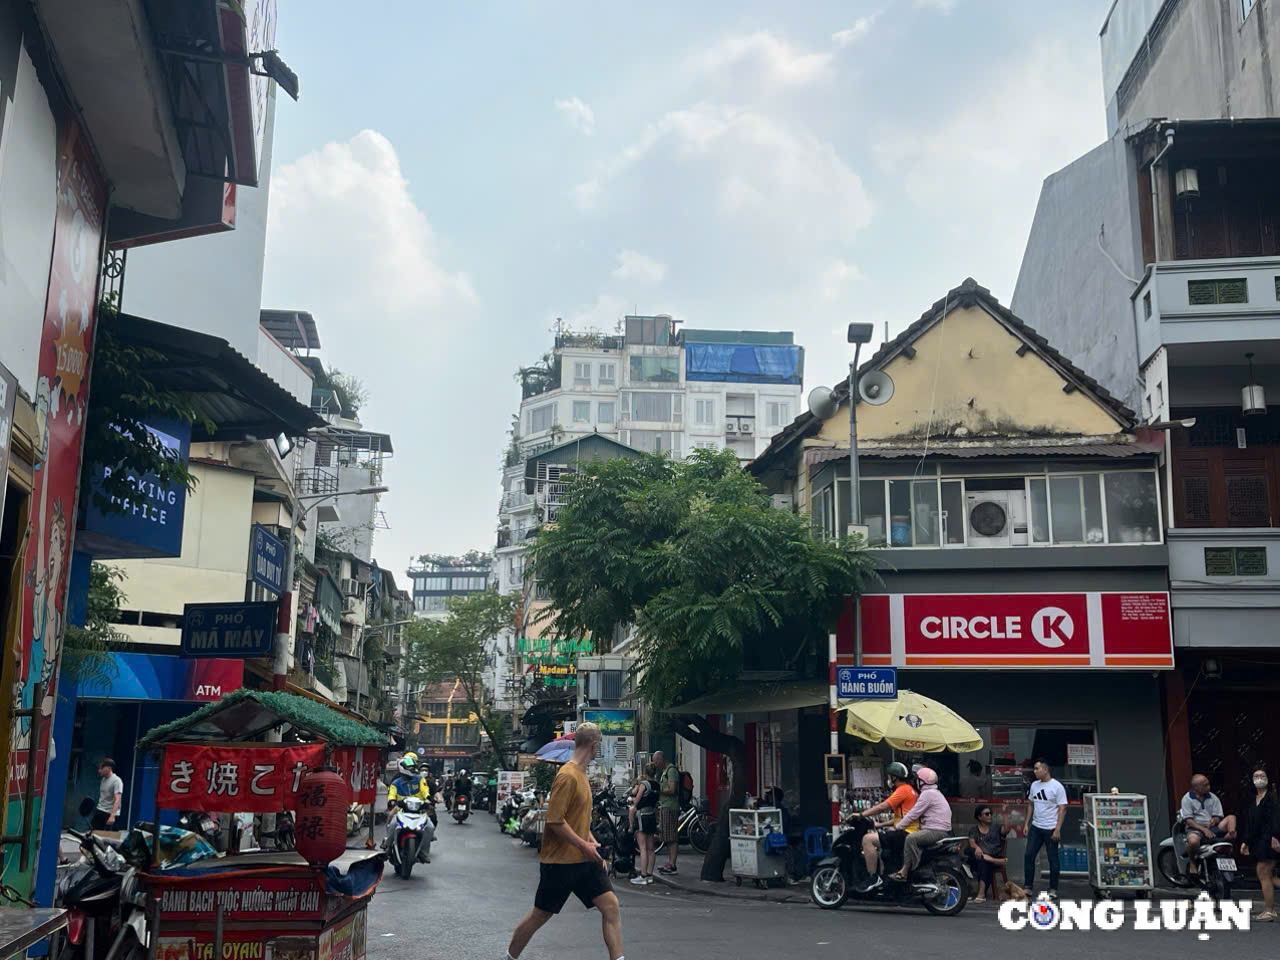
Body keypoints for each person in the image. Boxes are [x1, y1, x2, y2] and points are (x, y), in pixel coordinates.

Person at [503, 723, 624, 960]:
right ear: (593, 745)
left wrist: (593, 847)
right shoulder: (567, 776)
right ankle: (509, 958)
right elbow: (555, 821)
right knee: (540, 915)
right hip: (559, 863)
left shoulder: (581, 775)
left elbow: (578, 820)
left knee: (611, 906)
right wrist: (584, 845)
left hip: (583, 860)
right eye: (599, 745)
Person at [855, 761, 918, 892]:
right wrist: (879, 824)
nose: (888, 779)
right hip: (908, 831)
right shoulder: (910, 790)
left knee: (868, 839)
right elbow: (900, 819)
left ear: (894, 777)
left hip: (906, 833)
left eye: (889, 776)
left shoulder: (903, 790)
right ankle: (887, 880)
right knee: (885, 849)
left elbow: (883, 807)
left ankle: (873, 878)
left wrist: (861, 814)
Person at [889, 767, 952, 881]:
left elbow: (913, 814)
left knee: (910, 839)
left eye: (917, 780)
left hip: (936, 831)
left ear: (922, 782)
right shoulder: (934, 793)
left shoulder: (927, 794)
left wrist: (898, 827)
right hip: (940, 830)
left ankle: (904, 872)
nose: (915, 782)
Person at [1240, 765, 1280, 922]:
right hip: (1258, 841)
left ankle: (1270, 911)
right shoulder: (1253, 800)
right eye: (1256, 776)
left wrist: (1275, 837)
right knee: (1266, 875)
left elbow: (1274, 819)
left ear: (1268, 779)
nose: (1259, 779)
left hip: (1268, 839)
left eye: (1262, 776)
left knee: (1263, 872)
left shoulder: (1272, 797)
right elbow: (1251, 824)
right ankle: (1270, 910)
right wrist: (1246, 841)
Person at [1023, 758, 1067, 899]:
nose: (1035, 771)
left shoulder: (1057, 786)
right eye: (1034, 769)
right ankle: (1028, 886)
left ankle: (1053, 888)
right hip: (1036, 826)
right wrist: (1026, 823)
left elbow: (1062, 809)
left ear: (1045, 770)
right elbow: (1031, 804)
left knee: (1052, 858)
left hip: (1050, 827)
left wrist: (1057, 829)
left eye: (1037, 769)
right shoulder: (1034, 785)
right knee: (1029, 855)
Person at [1179, 773, 1238, 872]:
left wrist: (1214, 820)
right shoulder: (1186, 799)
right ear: (1196, 787)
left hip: (1212, 827)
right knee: (1193, 842)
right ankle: (1192, 863)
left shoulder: (1213, 797)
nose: (1208, 787)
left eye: (1208, 784)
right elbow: (1189, 820)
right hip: (1195, 828)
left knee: (1231, 817)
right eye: (1205, 785)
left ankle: (1230, 834)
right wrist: (1203, 829)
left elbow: (1218, 816)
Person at [385, 752, 436, 863]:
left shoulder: (420, 780)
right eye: (409, 767)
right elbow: (391, 794)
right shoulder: (396, 782)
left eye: (413, 766)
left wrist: (429, 799)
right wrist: (392, 801)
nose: (412, 768)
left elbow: (425, 791)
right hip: (401, 810)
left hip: (419, 810)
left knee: (430, 828)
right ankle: (387, 845)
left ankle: (423, 852)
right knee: (392, 822)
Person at [967, 805, 1012, 902]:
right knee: (970, 851)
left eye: (991, 814)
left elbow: (1007, 830)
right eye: (987, 814)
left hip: (993, 856)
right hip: (980, 858)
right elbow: (972, 842)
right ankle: (979, 892)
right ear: (979, 817)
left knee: (984, 862)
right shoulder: (974, 830)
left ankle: (981, 894)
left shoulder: (996, 827)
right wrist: (978, 848)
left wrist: (1005, 814)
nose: (990, 816)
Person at [628, 763, 660, 885]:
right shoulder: (657, 785)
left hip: (643, 816)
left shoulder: (644, 784)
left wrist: (633, 801)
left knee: (643, 848)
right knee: (651, 848)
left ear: (645, 772)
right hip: (652, 815)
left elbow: (636, 801)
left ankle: (643, 875)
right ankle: (650, 875)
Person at [655, 751, 680, 875]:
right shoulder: (664, 771)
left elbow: (672, 789)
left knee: (672, 837)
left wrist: (658, 789)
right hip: (665, 806)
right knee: (668, 837)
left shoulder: (671, 771)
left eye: (656, 761)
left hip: (670, 807)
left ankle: (673, 864)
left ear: (661, 759)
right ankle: (669, 863)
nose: (655, 764)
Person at [92, 758, 124, 831]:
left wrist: (112, 816)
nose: (99, 771)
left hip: (109, 813)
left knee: (107, 839)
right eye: (99, 768)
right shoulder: (103, 779)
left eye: (101, 768)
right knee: (94, 836)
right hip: (100, 810)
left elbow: (117, 799)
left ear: (109, 768)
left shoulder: (117, 781)